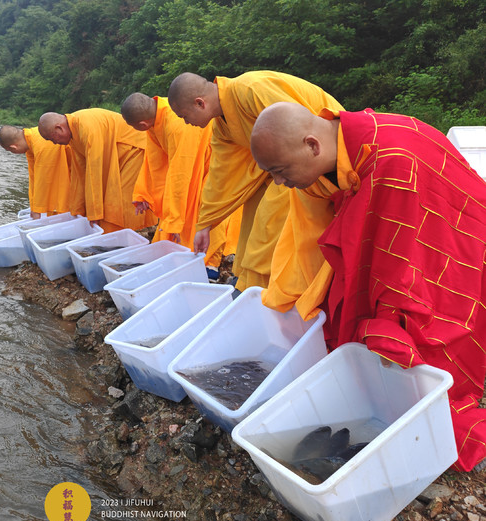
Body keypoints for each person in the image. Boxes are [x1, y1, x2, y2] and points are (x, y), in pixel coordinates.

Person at [250, 101, 486, 472]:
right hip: (439, 213)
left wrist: (385, 331)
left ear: (312, 145)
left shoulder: (389, 166)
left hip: (458, 232)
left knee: (416, 328)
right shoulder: (351, 141)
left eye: (280, 171)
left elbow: (398, 270)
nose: (279, 183)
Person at [167, 70, 343, 296]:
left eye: (184, 116)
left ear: (200, 103)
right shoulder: (222, 126)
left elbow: (300, 132)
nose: (186, 123)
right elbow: (221, 174)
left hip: (313, 157)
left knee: (268, 221)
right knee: (251, 215)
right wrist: (206, 223)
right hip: (282, 167)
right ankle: (247, 281)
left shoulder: (250, 90)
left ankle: (272, 290)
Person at [120, 92, 236, 277]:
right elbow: (154, 158)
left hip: (214, 166)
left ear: (142, 125)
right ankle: (184, 255)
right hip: (191, 168)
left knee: (207, 211)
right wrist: (144, 193)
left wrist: (174, 221)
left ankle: (208, 263)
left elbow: (180, 175)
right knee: (182, 219)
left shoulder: (177, 124)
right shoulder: (157, 115)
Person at [37, 109, 156, 233]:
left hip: (135, 148)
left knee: (121, 200)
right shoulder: (74, 133)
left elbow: (94, 172)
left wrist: (94, 214)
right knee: (108, 200)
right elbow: (80, 172)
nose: (55, 143)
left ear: (59, 128)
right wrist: (80, 210)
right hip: (121, 153)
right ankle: (121, 233)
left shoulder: (86, 128)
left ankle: (134, 233)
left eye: (52, 138)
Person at [0, 125, 72, 219]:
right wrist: (33, 206)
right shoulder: (31, 140)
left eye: (11, 151)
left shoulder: (42, 144)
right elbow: (34, 178)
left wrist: (37, 210)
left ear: (14, 147)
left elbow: (44, 180)